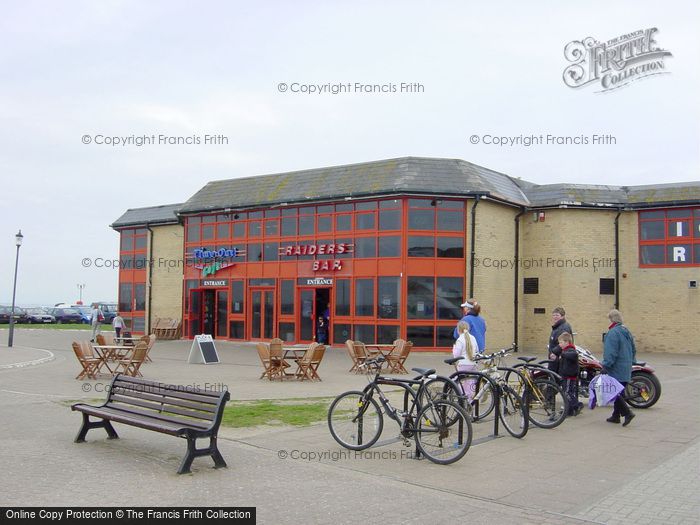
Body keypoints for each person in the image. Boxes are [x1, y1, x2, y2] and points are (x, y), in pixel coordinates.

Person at [602, 309, 636, 426]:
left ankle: (627, 413)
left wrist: (606, 365)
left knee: (613, 391)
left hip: (616, 368)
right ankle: (615, 416)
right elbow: (633, 348)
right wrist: (632, 361)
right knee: (619, 392)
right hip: (626, 366)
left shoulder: (613, 333)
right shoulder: (626, 331)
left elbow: (611, 352)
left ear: (611, 319)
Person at [452, 320, 478, 402]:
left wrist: (453, 348)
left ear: (458, 329)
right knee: (470, 383)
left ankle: (461, 400)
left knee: (460, 383)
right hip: (473, 363)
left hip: (463, 364)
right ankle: (470, 400)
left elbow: (456, 355)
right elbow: (476, 350)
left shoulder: (460, 340)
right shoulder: (473, 338)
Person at [557, 332, 582, 416]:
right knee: (568, 392)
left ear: (567, 342)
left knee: (567, 393)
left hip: (569, 376)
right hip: (566, 375)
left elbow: (574, 355)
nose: (559, 345)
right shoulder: (565, 350)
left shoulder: (570, 350)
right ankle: (569, 410)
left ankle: (577, 405)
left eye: (561, 343)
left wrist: (563, 354)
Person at [548, 307, 573, 374]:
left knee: (556, 379)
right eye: (554, 315)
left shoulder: (564, 327)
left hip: (558, 359)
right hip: (555, 359)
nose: (555, 317)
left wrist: (554, 353)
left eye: (557, 315)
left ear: (562, 316)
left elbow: (564, 343)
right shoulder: (557, 326)